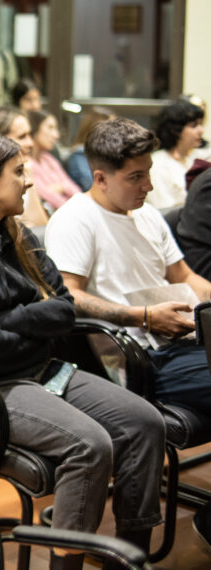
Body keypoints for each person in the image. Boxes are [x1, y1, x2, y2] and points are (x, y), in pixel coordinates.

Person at [0, 132, 164, 569]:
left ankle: (130, 556)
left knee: (145, 422)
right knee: (90, 446)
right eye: (19, 172)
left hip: (40, 368)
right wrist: (33, 320)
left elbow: (64, 308)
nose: (30, 182)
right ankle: (67, 563)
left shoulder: (16, 235)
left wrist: (9, 322)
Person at [46, 118, 211, 419]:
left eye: (147, 172)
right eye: (135, 177)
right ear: (101, 178)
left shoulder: (147, 214)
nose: (148, 185)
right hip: (139, 357)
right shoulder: (75, 219)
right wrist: (145, 317)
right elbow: (69, 295)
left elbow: (184, 275)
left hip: (178, 343)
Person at [146, 99, 205, 209]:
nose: (201, 130)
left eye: (200, 124)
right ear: (175, 129)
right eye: (193, 125)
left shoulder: (196, 158)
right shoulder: (158, 164)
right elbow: (164, 210)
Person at [28, 110, 81, 211]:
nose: (56, 135)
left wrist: (62, 187)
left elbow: (76, 191)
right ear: (35, 129)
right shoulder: (27, 164)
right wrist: (63, 189)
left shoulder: (48, 158)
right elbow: (44, 195)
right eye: (50, 128)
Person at [66, 107, 115, 191]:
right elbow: (89, 184)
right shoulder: (79, 155)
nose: (116, 134)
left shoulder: (106, 153)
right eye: (112, 129)